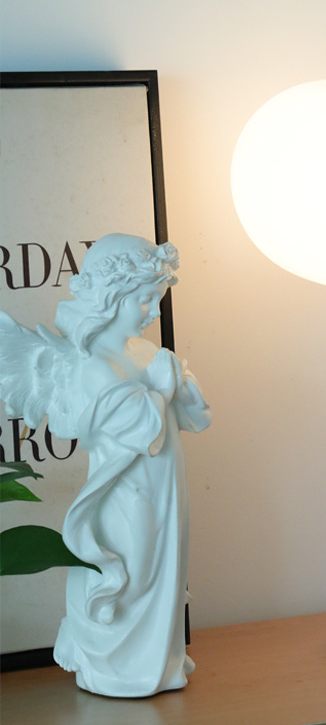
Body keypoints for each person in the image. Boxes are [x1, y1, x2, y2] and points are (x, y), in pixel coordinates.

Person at [0, 233, 211, 697]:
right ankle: (115, 664)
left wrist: (180, 386)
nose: (153, 312)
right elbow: (138, 426)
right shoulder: (92, 365)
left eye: (156, 299)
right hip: (124, 494)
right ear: (112, 297)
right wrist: (163, 386)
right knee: (133, 568)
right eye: (144, 300)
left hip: (166, 486)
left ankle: (160, 661)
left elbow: (192, 417)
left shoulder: (143, 353)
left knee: (165, 565)